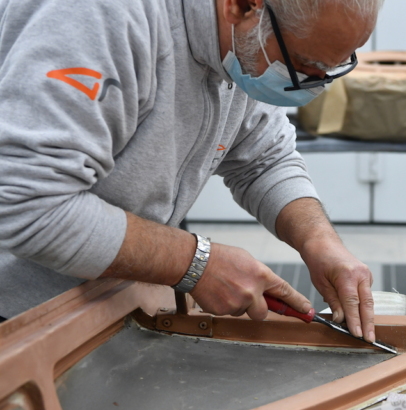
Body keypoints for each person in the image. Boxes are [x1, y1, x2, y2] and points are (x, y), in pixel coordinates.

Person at [0, 0, 383, 343]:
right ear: (242, 6)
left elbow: (264, 157)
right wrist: (196, 262)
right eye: (302, 65)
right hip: (18, 317)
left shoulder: (242, 42)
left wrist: (319, 241)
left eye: (332, 67)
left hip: (104, 303)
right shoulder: (93, 15)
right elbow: (30, 205)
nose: (313, 85)